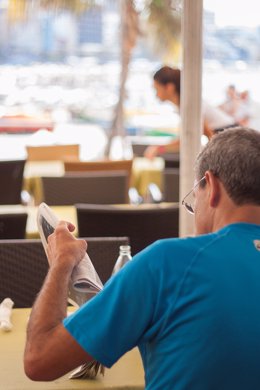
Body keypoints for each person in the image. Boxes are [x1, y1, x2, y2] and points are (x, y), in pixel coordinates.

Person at [24, 127, 260, 389]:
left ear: (212, 186)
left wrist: (62, 261)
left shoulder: (168, 264)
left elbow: (40, 359)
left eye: (194, 198)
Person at [144, 66, 237, 159]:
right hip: (224, 137)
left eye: (157, 89)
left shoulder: (190, 106)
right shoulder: (184, 105)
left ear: (169, 87)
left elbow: (193, 137)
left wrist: (158, 148)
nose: (156, 95)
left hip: (229, 137)